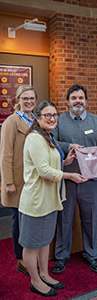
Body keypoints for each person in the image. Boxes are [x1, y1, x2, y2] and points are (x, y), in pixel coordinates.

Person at [18, 101, 86, 297]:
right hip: (36, 201)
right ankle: (35, 281)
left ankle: (45, 274)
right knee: (31, 245)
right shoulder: (34, 138)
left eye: (54, 114)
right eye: (47, 115)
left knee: (45, 241)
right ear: (37, 118)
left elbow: (51, 164)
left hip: (50, 200)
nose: (52, 118)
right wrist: (71, 176)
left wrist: (66, 162)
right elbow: (43, 170)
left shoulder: (48, 136)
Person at [52, 84, 97, 274]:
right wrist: (70, 146)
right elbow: (52, 141)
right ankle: (61, 256)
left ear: (86, 101)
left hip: (91, 180)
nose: (78, 101)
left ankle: (91, 254)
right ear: (68, 101)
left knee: (90, 219)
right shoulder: (59, 121)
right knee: (65, 219)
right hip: (67, 179)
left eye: (81, 98)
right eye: (74, 98)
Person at [0, 85, 37, 276]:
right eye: (25, 98)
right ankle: (21, 259)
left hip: (33, 180)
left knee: (29, 220)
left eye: (32, 98)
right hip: (17, 181)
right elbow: (5, 154)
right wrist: (8, 182)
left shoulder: (36, 120)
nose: (29, 101)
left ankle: (30, 255)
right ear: (18, 100)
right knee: (19, 221)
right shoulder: (12, 122)